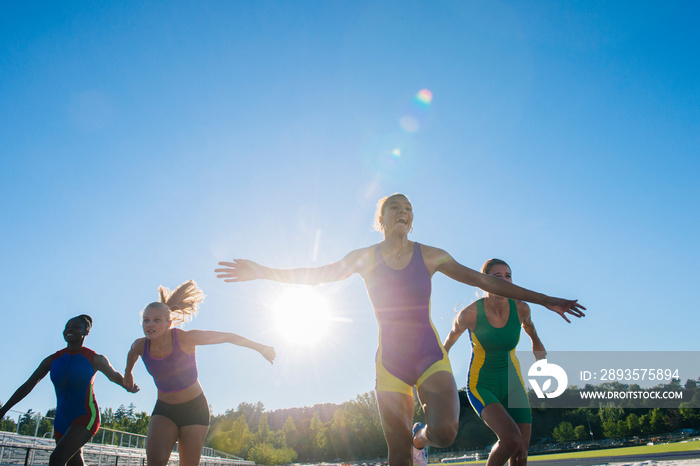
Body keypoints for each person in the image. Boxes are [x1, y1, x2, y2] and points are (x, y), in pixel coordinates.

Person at [215, 193, 585, 466]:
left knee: (445, 433)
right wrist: (262, 271)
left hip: (429, 354)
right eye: (396, 208)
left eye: (409, 209)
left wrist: (544, 298)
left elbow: (482, 279)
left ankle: (419, 438)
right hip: (390, 361)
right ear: (382, 219)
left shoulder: (430, 255)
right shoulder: (364, 258)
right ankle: (409, 446)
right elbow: (316, 277)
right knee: (396, 456)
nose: (403, 213)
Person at [123, 280, 276, 466]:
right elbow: (132, 354)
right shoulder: (140, 345)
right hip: (164, 409)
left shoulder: (186, 339)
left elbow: (227, 337)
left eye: (157, 320)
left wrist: (260, 347)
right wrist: (128, 374)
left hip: (194, 410)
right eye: (146, 320)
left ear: (169, 323)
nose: (150, 324)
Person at [442, 259, 551, 466]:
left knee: (521, 453)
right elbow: (448, 342)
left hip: (513, 383)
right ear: (484, 282)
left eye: (508, 275)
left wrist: (536, 342)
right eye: (496, 277)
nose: (504, 280)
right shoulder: (470, 314)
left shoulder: (521, 309)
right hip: (482, 385)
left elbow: (529, 327)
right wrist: (437, 368)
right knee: (511, 439)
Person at [0, 315, 139, 466]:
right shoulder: (53, 359)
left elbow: (113, 375)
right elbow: (28, 385)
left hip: (85, 416)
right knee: (74, 463)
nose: (69, 330)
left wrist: (127, 385)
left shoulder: (94, 358)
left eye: (75, 327)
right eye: (67, 327)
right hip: (61, 421)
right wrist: (4, 409)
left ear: (86, 332)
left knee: (56, 459)